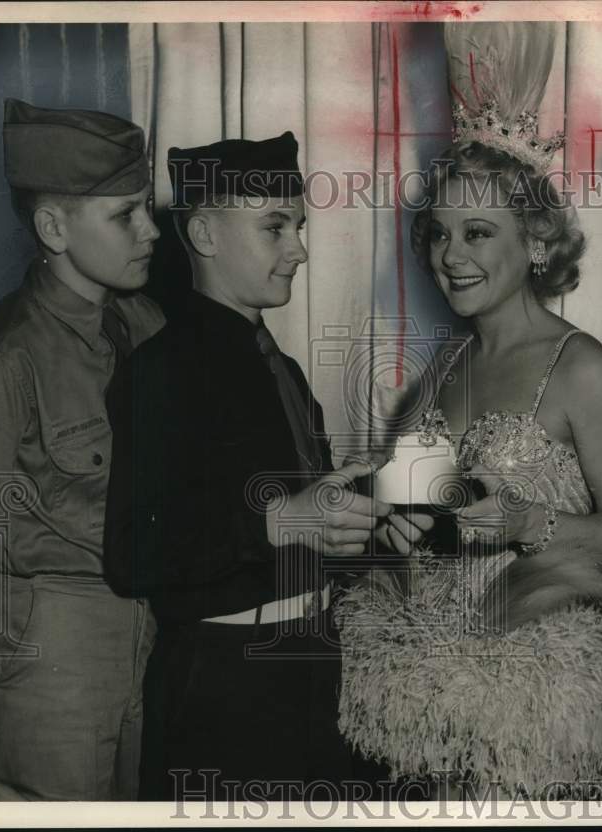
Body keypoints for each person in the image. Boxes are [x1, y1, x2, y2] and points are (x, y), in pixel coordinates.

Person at [337, 22, 602, 800]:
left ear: (538, 243)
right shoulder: (439, 373)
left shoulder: (580, 369)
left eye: (478, 232)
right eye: (440, 234)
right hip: (433, 692)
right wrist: (384, 509)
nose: (451, 255)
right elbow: (418, 528)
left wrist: (521, 523)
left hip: (542, 699)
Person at [102, 131, 415, 801]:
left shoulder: (286, 371)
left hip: (315, 671)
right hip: (223, 690)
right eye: (275, 228)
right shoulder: (159, 373)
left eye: (298, 226)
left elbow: (306, 532)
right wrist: (276, 523)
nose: (299, 249)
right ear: (207, 233)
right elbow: (133, 555)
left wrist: (373, 522)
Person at [0, 99, 165, 800]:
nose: (149, 230)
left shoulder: (143, 325)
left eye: (145, 207)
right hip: (48, 669)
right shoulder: (2, 361)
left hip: (144, 642)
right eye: (124, 214)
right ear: (53, 228)